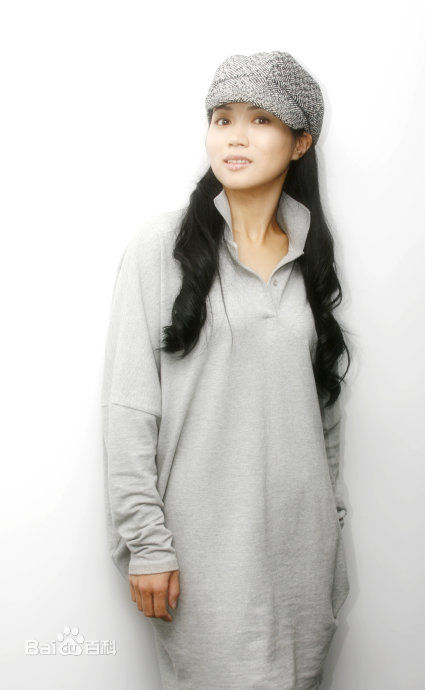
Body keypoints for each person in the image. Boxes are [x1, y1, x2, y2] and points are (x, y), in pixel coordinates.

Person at [101, 50, 351, 690]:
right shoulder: (162, 248)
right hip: (205, 558)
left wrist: (333, 529)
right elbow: (129, 408)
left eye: (261, 119)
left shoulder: (312, 256)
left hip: (303, 562)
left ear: (300, 142)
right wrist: (147, 543)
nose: (235, 136)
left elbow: (323, 415)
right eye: (222, 118)